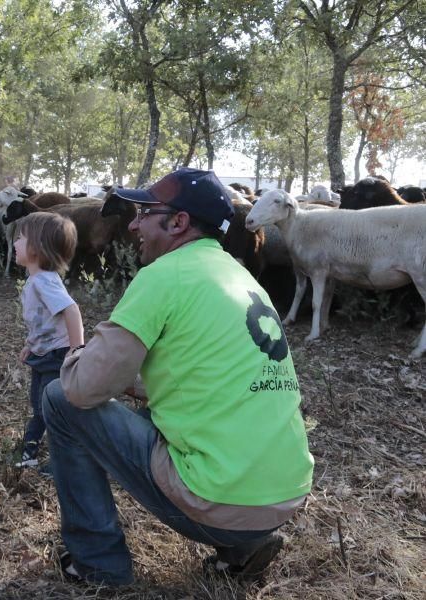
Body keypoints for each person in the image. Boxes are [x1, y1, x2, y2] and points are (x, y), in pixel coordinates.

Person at [44, 167, 314, 585]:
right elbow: (210, 375)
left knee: (58, 398)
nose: (132, 224)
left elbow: (82, 389)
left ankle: (98, 562)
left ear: (178, 222)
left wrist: (75, 356)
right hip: (286, 494)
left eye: (144, 212)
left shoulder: (163, 276)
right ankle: (244, 546)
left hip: (218, 501)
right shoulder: (239, 277)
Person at [12, 212, 82, 470]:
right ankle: (29, 450)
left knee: (51, 408)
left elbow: (71, 310)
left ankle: (61, 460)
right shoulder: (35, 281)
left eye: (20, 238)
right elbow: (42, 321)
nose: (15, 243)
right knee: (39, 404)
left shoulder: (44, 282)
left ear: (37, 248)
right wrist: (30, 344)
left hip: (57, 355)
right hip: (43, 354)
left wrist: (76, 351)